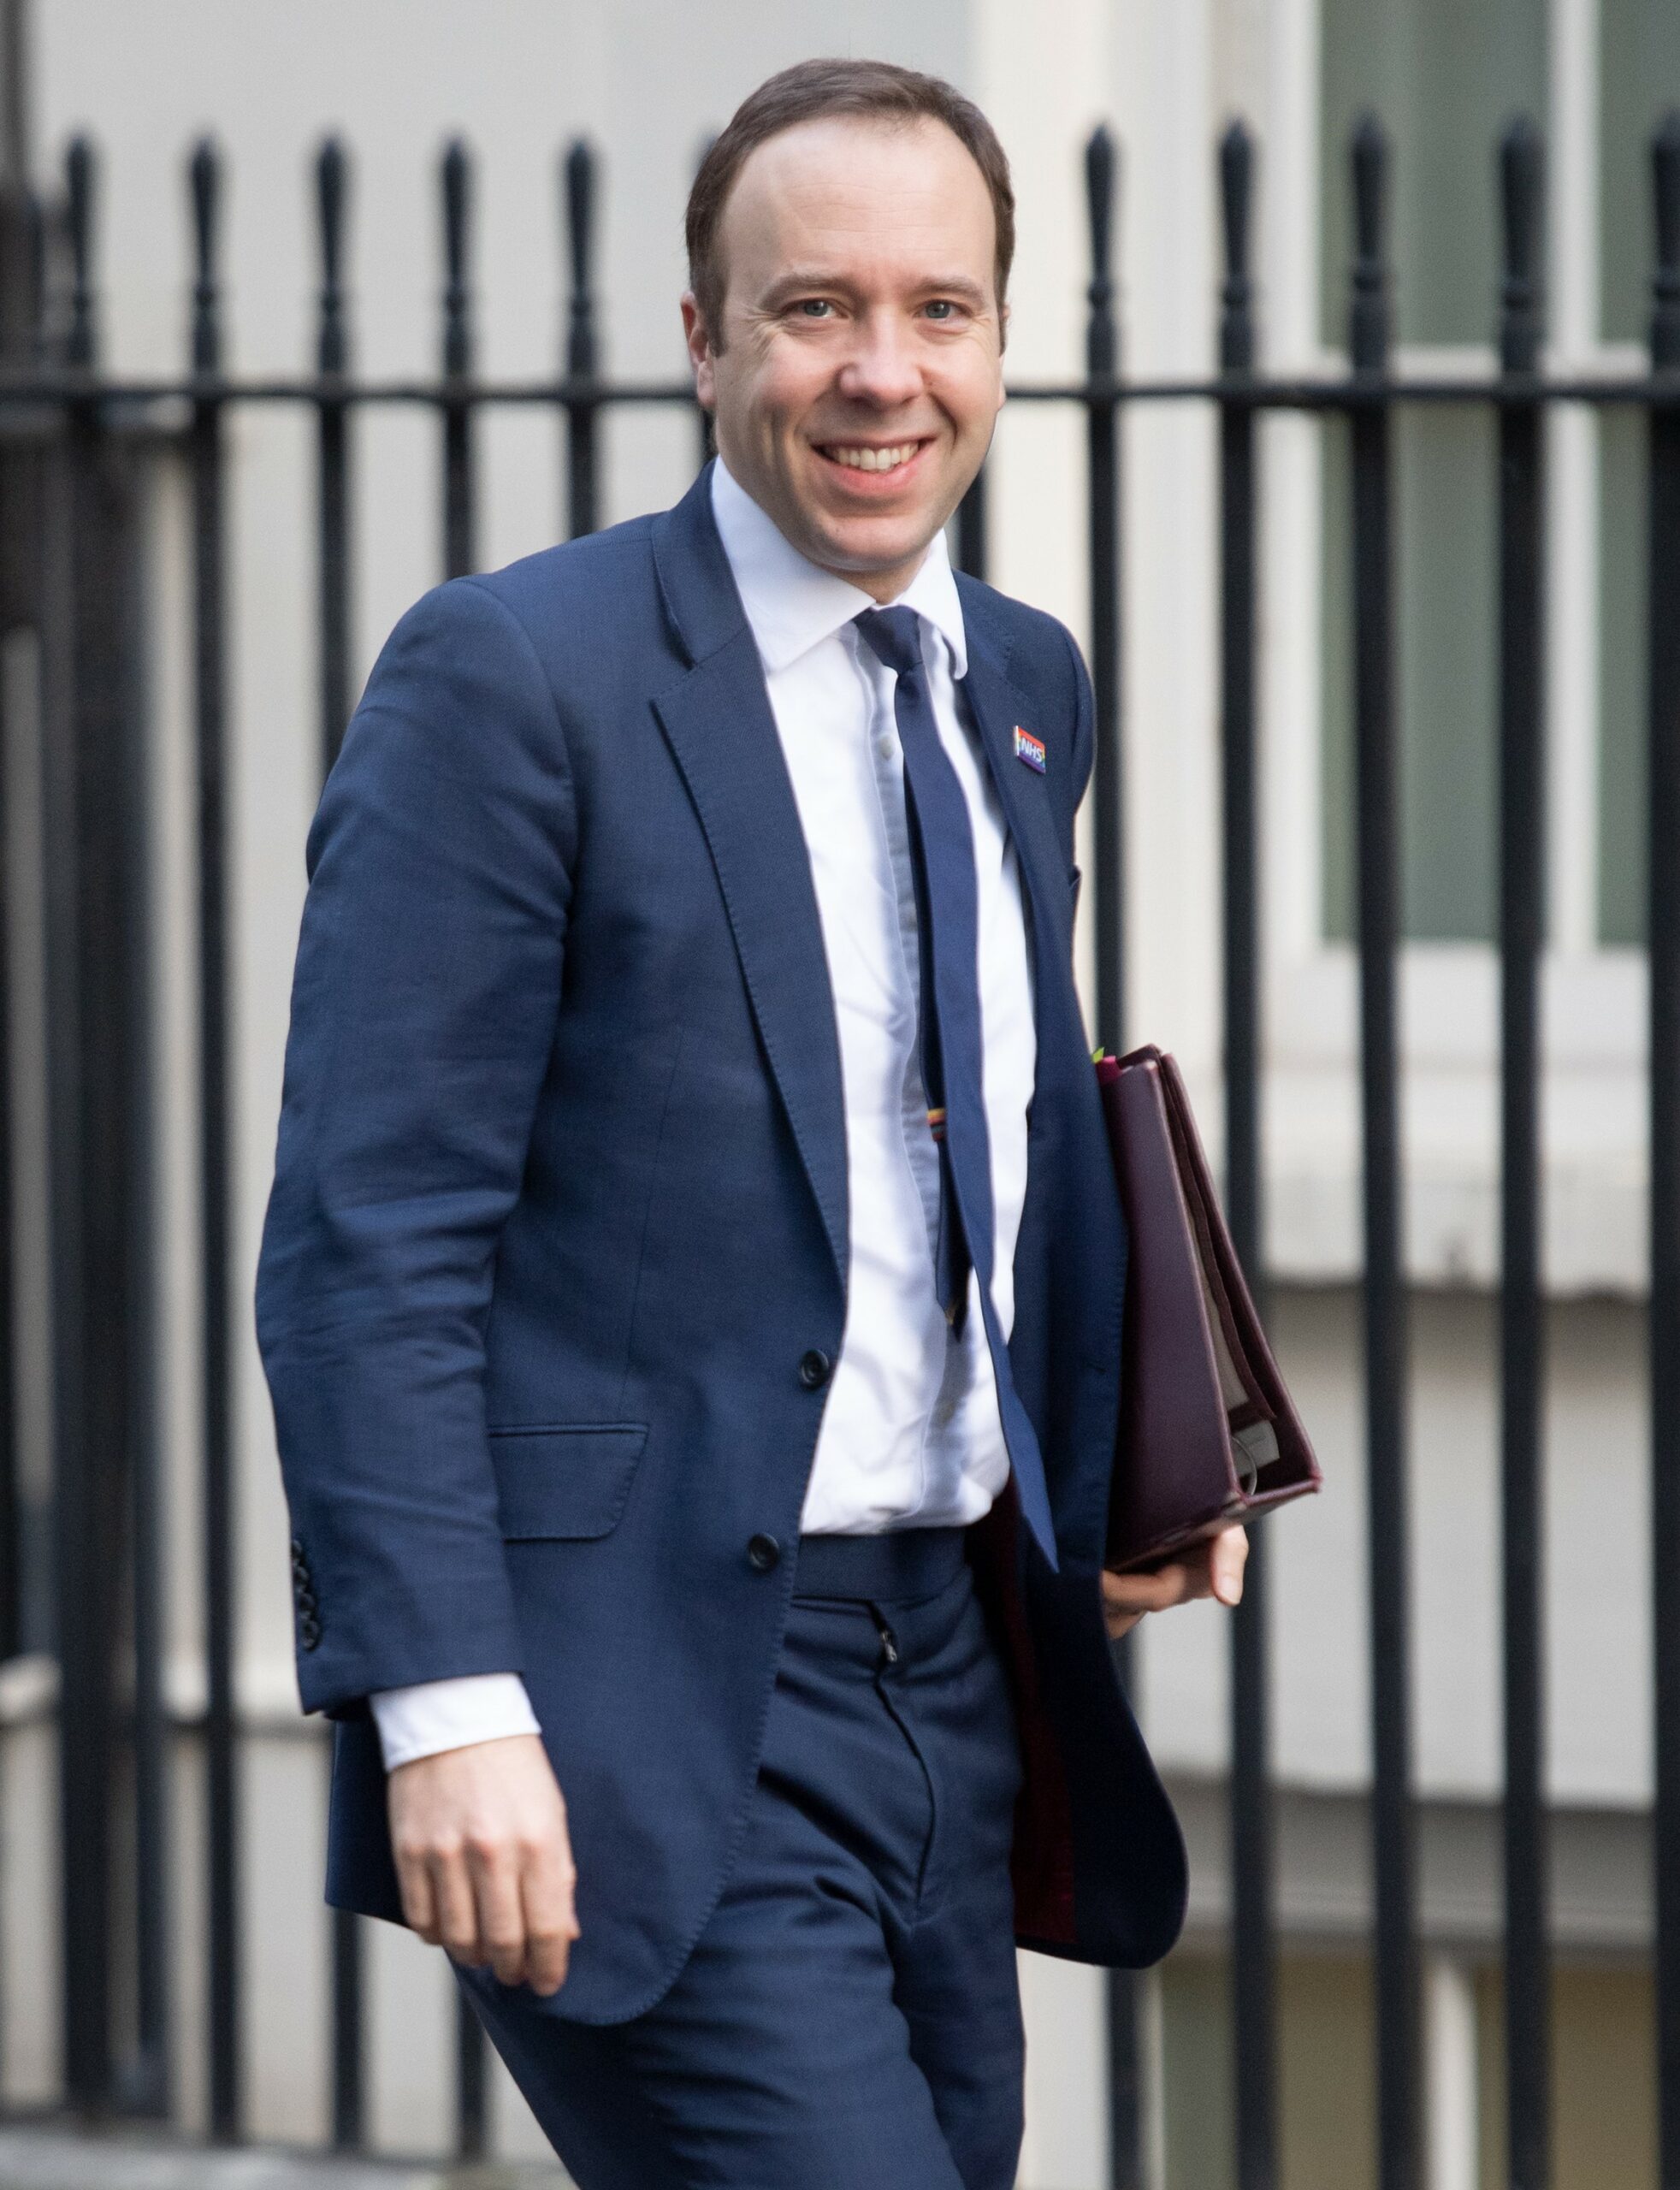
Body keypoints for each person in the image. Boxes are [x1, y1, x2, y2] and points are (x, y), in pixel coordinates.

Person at [256, 55, 1248, 2190]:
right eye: (811, 309)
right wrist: (441, 1702)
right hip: (642, 1693)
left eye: (940, 309)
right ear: (701, 338)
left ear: (1001, 336)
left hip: (954, 1668)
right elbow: (369, 1234)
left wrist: (1108, 1459)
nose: (879, 372)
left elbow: (976, 1130)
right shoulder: (512, 676)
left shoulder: (1022, 680)